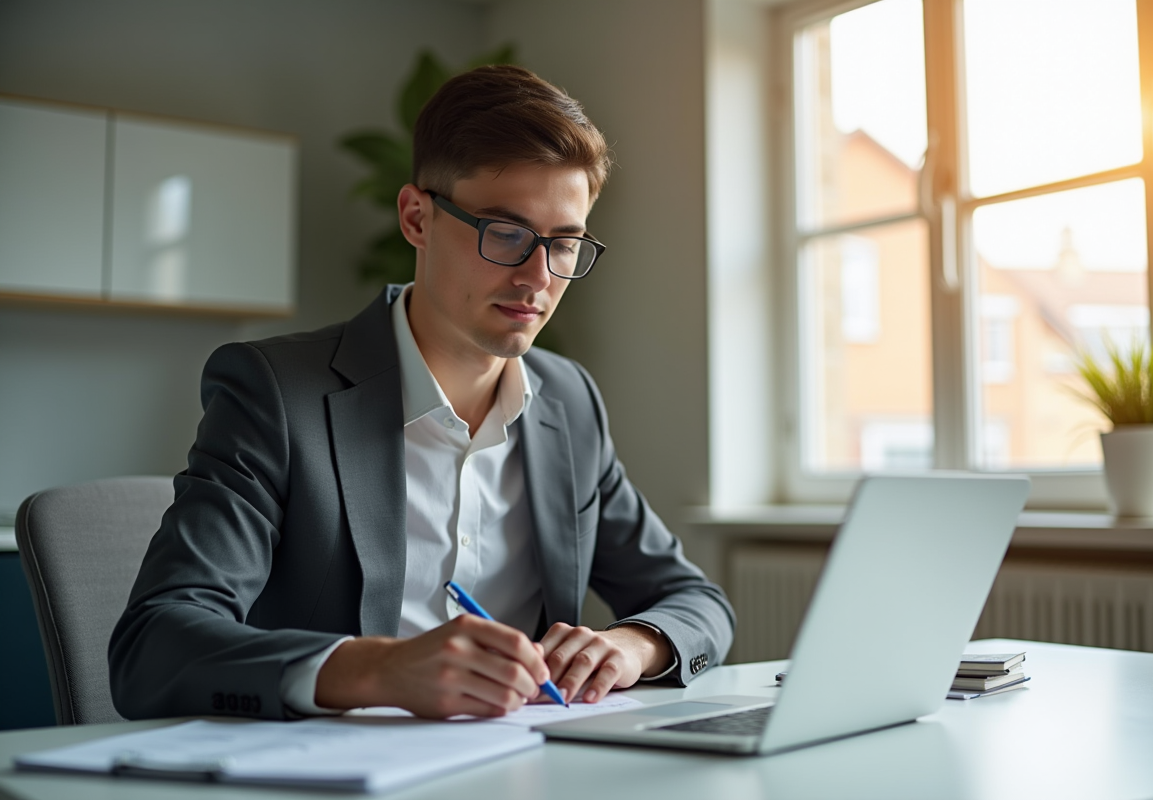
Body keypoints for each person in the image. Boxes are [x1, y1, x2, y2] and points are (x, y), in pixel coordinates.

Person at [109, 65, 734, 721]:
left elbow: (699, 603)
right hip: (339, 762)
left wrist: (634, 645)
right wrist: (377, 669)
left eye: (566, 243)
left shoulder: (568, 401)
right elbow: (154, 645)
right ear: (416, 217)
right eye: (506, 233)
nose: (537, 277)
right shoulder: (277, 394)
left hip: (530, 759)